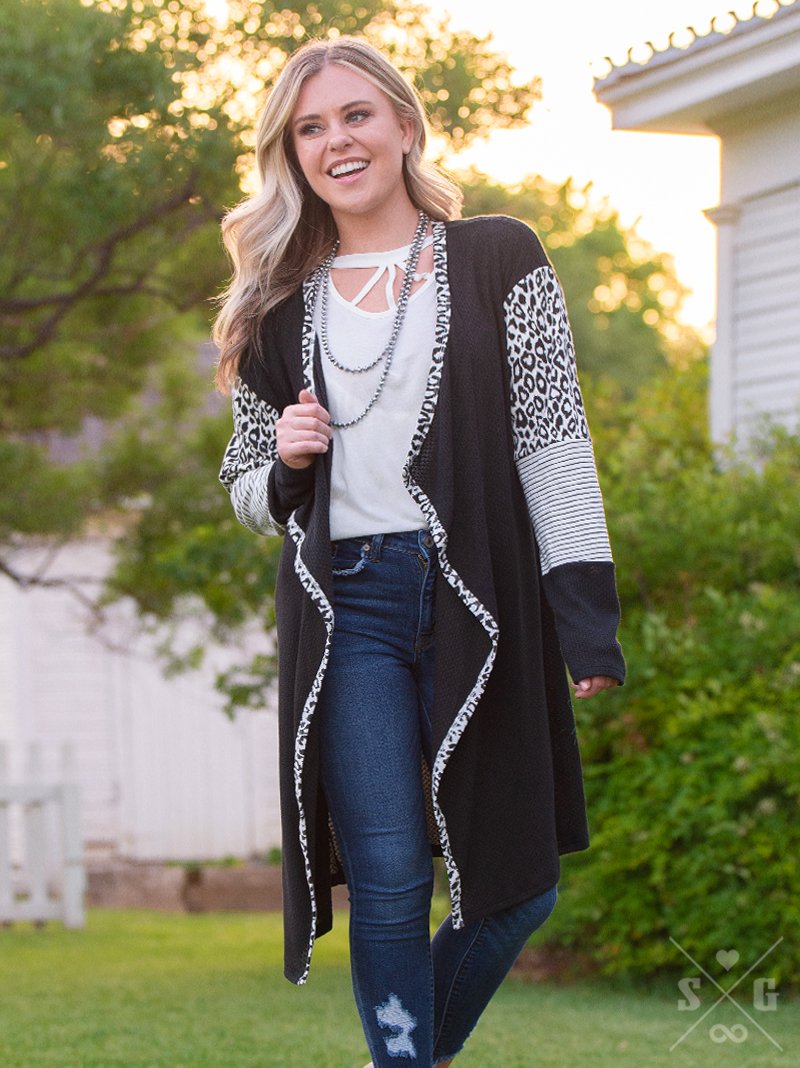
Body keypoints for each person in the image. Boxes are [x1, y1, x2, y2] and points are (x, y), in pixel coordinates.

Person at [216, 36, 625, 1068]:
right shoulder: (276, 308)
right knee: (390, 882)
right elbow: (247, 493)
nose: (336, 142)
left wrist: (585, 620)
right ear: (291, 154)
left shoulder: (499, 257)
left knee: (518, 886)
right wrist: (287, 464)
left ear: (404, 125)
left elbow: (553, 442)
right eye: (310, 128)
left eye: (355, 115)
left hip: (479, 599)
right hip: (347, 609)